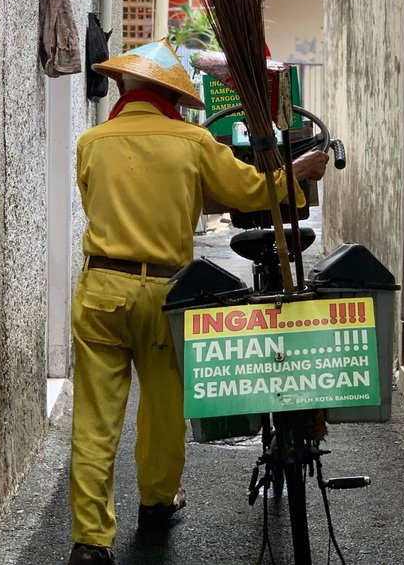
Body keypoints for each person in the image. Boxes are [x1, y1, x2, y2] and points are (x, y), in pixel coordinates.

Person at [68, 39, 328, 565]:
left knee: (95, 420)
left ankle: (91, 542)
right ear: (173, 96)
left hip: (101, 291)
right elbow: (252, 191)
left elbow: (100, 196)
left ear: (122, 86)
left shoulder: (92, 142)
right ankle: (157, 503)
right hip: (167, 293)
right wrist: (296, 176)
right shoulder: (192, 141)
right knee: (163, 407)